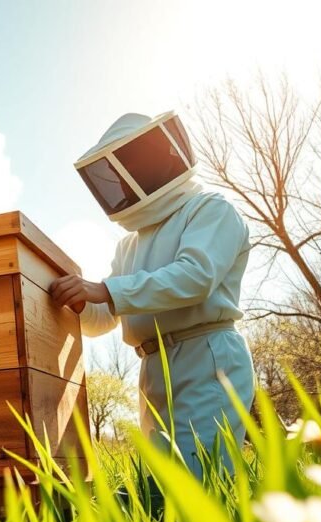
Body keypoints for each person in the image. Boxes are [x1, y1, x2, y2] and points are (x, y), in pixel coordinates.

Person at [49, 111, 255, 479]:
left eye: (131, 166)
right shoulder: (130, 243)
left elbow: (195, 277)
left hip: (207, 356)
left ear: (159, 159)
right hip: (151, 365)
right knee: (158, 484)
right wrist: (80, 302)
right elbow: (105, 317)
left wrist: (104, 290)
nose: (124, 181)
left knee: (198, 480)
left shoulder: (210, 209)